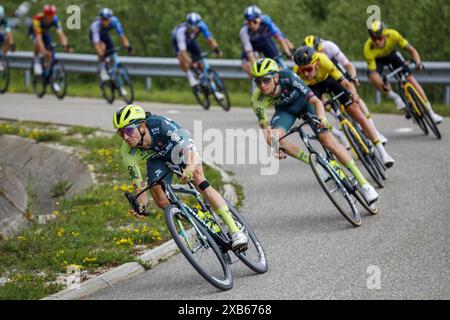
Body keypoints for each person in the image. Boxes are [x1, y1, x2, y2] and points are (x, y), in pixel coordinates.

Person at [113, 105, 248, 252]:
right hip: (156, 158)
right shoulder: (127, 153)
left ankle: (235, 230)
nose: (126, 137)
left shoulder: (160, 125)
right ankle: (199, 220)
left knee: (198, 178)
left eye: (128, 130)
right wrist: (140, 206)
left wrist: (189, 169)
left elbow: (190, 152)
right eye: (121, 133)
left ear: (142, 126)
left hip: (179, 148)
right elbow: (140, 188)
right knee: (160, 198)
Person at [250, 58, 379, 205]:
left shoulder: (288, 77)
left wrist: (322, 119)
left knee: (328, 141)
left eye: (266, 80)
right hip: (286, 111)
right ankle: (315, 163)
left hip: (306, 104)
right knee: (272, 137)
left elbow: (316, 102)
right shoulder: (257, 100)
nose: (262, 85)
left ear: (276, 77)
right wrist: (276, 146)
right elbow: (265, 129)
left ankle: (364, 185)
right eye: (258, 81)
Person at [293, 45, 395, 168]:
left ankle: (383, 153)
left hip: (329, 80)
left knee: (356, 112)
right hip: (313, 88)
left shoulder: (324, 61)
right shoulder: (296, 73)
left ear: (316, 64)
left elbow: (346, 83)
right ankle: (338, 134)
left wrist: (354, 95)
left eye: (308, 69)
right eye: (302, 70)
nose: (306, 73)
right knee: (315, 116)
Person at [303, 34, 388, 144]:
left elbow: (347, 64)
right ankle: (338, 117)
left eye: (317, 51)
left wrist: (353, 77)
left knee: (353, 96)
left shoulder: (329, 46)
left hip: (336, 71)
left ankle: (374, 130)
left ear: (321, 47)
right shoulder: (308, 59)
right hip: (321, 77)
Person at [364, 21, 443, 124]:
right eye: (374, 39)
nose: (377, 42)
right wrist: (382, 84)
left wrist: (418, 63)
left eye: (380, 38)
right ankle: (396, 98)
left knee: (410, 79)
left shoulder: (393, 35)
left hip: (392, 55)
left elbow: (412, 50)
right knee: (373, 79)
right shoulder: (368, 48)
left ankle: (431, 113)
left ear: (386, 34)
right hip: (378, 60)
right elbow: (374, 74)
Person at [240, 5, 293, 79]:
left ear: (259, 19)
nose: (252, 25)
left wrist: (288, 54)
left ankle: (281, 79)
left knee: (277, 64)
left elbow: (280, 39)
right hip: (253, 46)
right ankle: (257, 82)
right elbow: (249, 53)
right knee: (245, 64)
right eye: (249, 22)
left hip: (265, 42)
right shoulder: (244, 31)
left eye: (254, 21)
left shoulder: (266, 21)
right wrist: (258, 70)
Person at [172, 12, 222, 90]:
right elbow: (183, 51)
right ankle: (190, 77)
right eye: (191, 28)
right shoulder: (180, 32)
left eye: (195, 28)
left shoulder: (202, 25)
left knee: (199, 59)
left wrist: (216, 49)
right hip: (179, 43)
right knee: (183, 58)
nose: (193, 30)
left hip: (190, 41)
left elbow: (210, 39)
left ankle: (205, 79)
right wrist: (190, 61)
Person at [89, 8, 133, 82]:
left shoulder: (115, 21)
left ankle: (115, 79)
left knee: (112, 51)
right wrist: (101, 55)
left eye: (106, 19)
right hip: (94, 35)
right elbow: (96, 44)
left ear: (110, 18)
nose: (105, 21)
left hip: (105, 34)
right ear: (100, 19)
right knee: (102, 48)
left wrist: (127, 46)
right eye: (103, 19)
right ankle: (102, 70)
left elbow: (121, 36)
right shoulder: (96, 25)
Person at [29, 4, 71, 76]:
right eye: (48, 15)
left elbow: (61, 34)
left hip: (45, 33)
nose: (50, 18)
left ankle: (48, 74)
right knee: (38, 45)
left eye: (52, 15)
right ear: (44, 14)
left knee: (50, 53)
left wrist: (66, 46)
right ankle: (36, 61)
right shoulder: (37, 19)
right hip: (34, 33)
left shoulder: (56, 19)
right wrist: (44, 51)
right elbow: (39, 38)